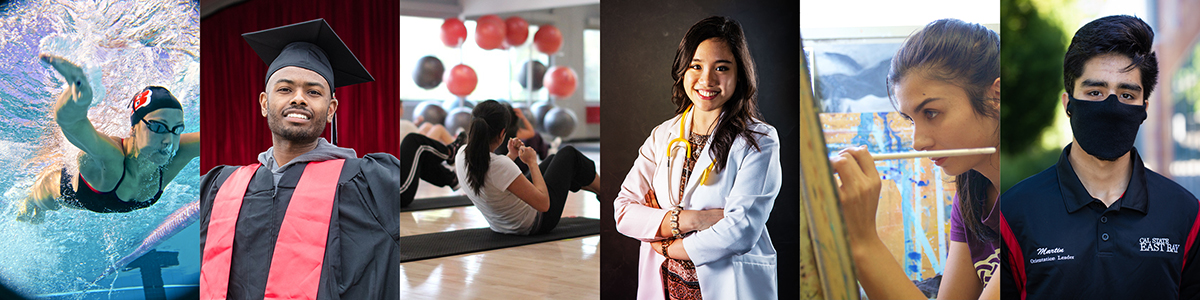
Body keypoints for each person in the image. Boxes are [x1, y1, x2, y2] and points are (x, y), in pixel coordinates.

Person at [999, 15, 1200, 299]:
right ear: (1068, 104)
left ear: (1144, 108)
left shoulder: (1187, 214)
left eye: (1126, 95)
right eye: (1095, 92)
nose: (1111, 105)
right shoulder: (1013, 214)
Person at [197, 19, 399, 299]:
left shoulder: (368, 182)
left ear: (330, 110)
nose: (299, 99)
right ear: (265, 104)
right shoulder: (220, 186)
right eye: (285, 89)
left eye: (313, 92)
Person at [830, 19, 1001, 300]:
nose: (917, 143)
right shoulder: (971, 195)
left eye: (931, 112)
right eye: (910, 119)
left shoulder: (1037, 199)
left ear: (996, 96)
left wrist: (861, 241)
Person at [614, 16, 782, 299]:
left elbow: (740, 231)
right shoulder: (662, 135)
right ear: (683, 70)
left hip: (727, 285)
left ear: (739, 74)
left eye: (722, 68)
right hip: (666, 285)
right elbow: (623, 211)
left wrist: (665, 244)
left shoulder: (760, 139)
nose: (707, 80)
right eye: (696, 66)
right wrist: (693, 220)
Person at [17, 55, 200, 223]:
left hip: (94, 200)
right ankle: (30, 201)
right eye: (158, 127)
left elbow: (225, 133)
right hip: (57, 193)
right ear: (134, 129)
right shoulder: (111, 157)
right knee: (37, 207)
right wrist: (79, 94)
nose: (169, 140)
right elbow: (71, 123)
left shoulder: (175, 153)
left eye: (177, 130)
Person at [454, 99, 600, 235]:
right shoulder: (499, 165)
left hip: (501, 226)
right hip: (537, 223)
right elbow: (544, 205)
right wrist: (532, 162)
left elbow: (492, 174)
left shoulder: (462, 154)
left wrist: (512, 155)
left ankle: (601, 193)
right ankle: (607, 191)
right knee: (569, 155)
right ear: (502, 133)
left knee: (553, 161)